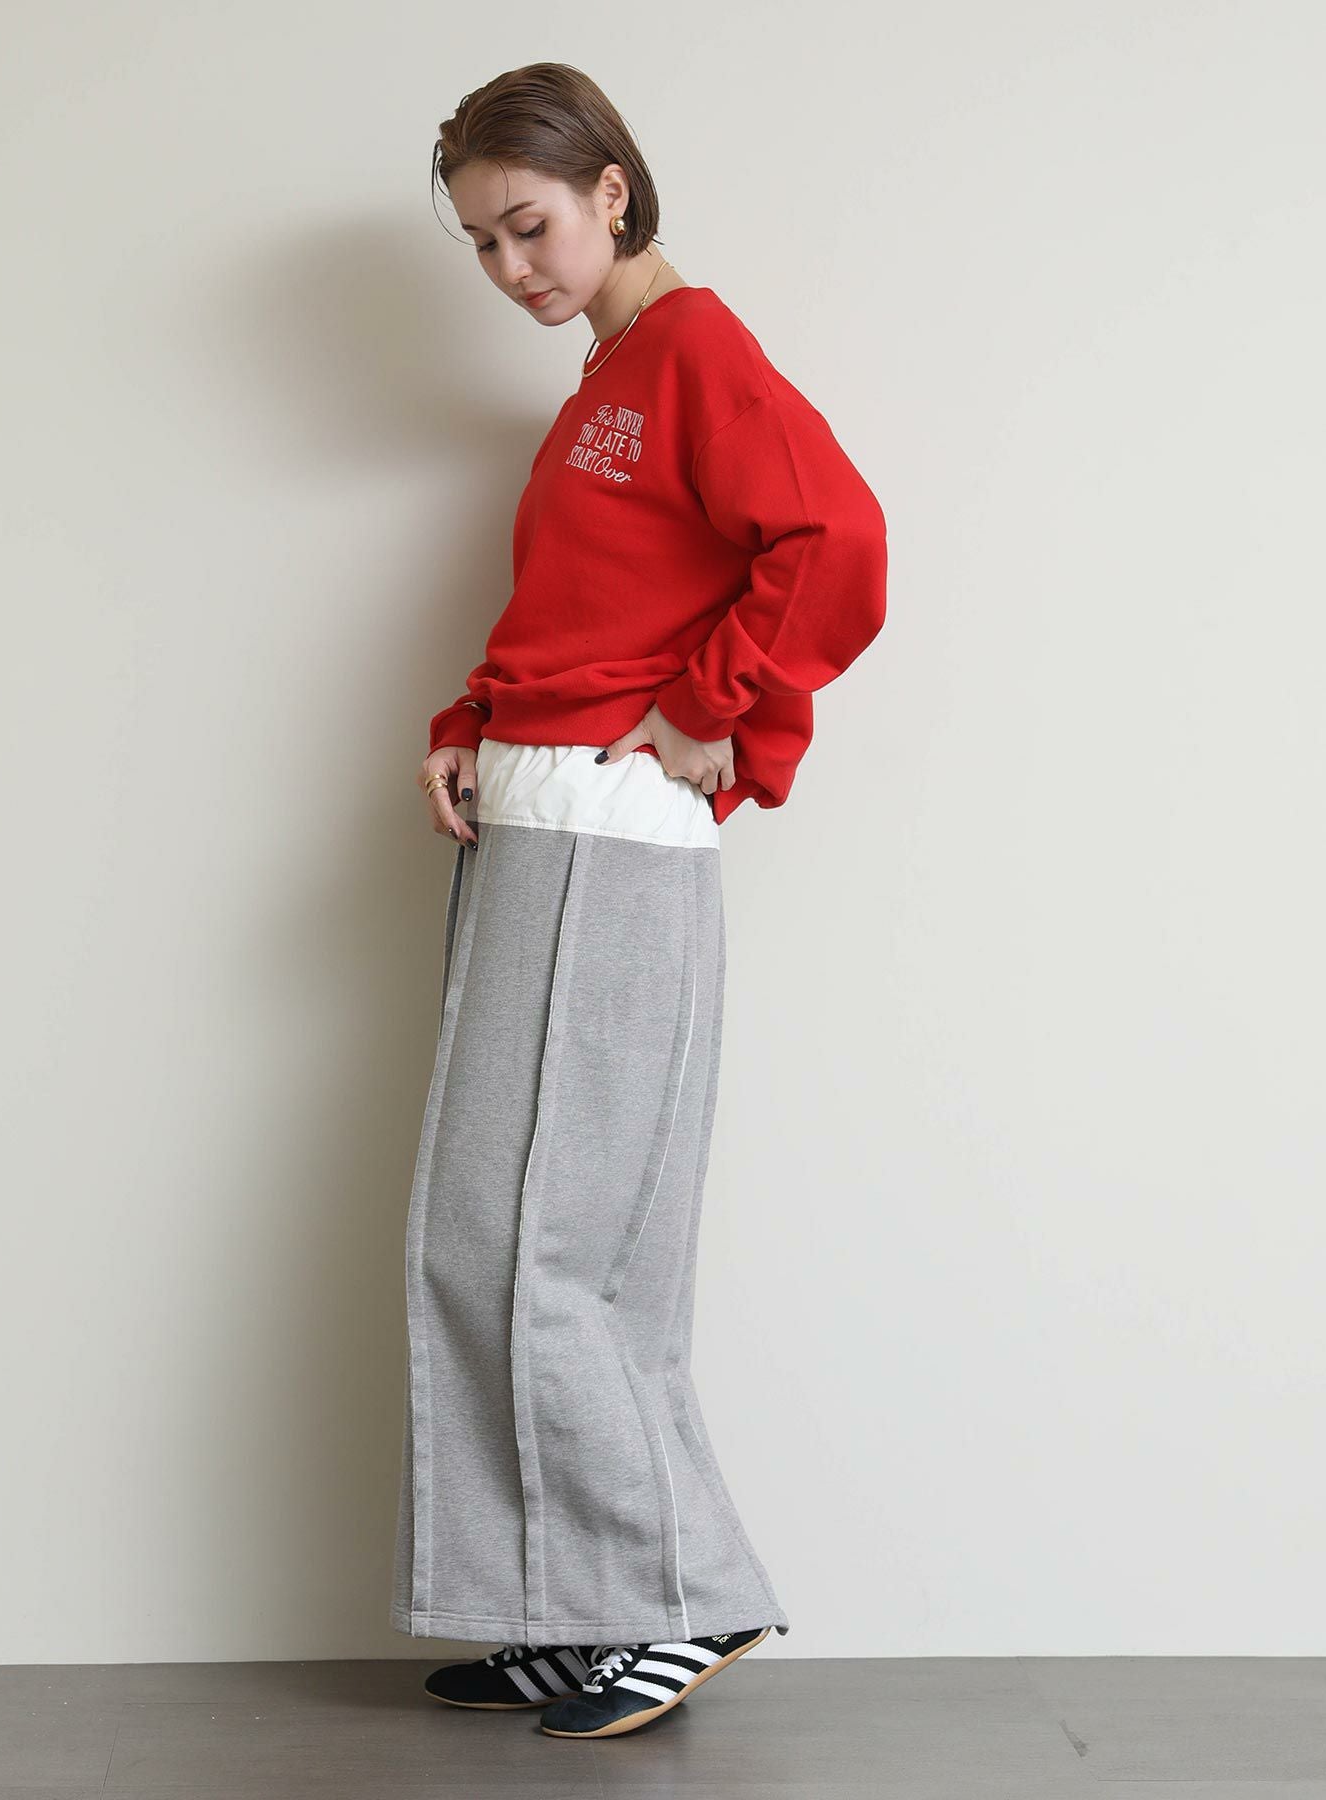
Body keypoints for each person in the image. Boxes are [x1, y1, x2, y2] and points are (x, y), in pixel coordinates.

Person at [391, 62, 888, 1742]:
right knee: (481, 1239)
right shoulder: (608, 379)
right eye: (481, 242)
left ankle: (684, 1593)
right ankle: (570, 1612)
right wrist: (469, 720)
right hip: (535, 821)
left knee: (556, 1249)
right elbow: (579, 611)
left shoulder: (692, 351)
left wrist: (710, 707)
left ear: (614, 190)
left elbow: (837, 543)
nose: (509, 267)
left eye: (528, 226)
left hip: (608, 841)